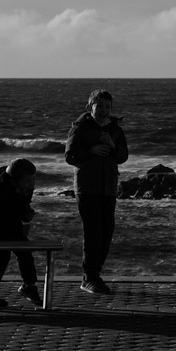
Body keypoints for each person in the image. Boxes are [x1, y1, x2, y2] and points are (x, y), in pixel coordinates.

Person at [65, 89, 128, 295]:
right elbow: (70, 155)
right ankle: (89, 277)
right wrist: (91, 151)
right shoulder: (80, 127)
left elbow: (122, 156)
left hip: (108, 187)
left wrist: (112, 145)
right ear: (89, 107)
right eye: (99, 106)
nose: (103, 111)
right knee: (93, 233)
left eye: (107, 107)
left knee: (107, 231)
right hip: (87, 187)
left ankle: (94, 274)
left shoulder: (115, 129)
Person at [0, 158, 39, 308]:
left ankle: (29, 287)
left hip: (9, 218)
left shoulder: (27, 188)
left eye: (33, 178)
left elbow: (23, 207)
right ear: (14, 181)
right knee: (2, 255)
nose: (32, 183)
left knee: (25, 251)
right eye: (28, 180)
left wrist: (25, 216)